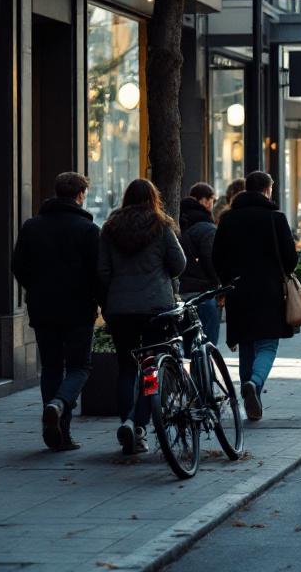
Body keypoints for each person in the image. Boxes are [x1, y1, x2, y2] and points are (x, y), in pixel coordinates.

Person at [11, 172, 101, 451]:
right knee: (79, 367)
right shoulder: (88, 230)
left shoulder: (32, 226)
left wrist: (36, 288)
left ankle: (56, 432)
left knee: (51, 366)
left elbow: (18, 266)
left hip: (43, 308)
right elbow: (98, 273)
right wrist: (98, 300)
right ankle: (59, 406)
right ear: (80, 195)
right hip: (78, 309)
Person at [97, 179, 186, 455]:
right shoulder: (161, 226)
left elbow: (102, 272)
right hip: (155, 310)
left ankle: (126, 420)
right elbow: (179, 263)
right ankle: (139, 427)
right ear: (153, 198)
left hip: (120, 309)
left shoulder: (110, 228)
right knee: (151, 368)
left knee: (126, 368)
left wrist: (108, 304)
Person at [212, 171, 297, 420]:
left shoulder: (228, 219)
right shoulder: (275, 218)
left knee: (247, 343)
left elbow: (217, 256)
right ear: (267, 190)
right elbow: (290, 258)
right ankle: (255, 384)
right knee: (268, 343)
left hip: (238, 291)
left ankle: (247, 389)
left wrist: (228, 280)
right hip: (269, 290)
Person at [178, 182, 221, 346]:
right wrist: (218, 282)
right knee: (207, 346)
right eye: (211, 200)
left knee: (186, 347)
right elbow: (212, 260)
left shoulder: (177, 222)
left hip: (180, 294)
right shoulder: (207, 229)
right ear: (205, 201)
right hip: (203, 293)